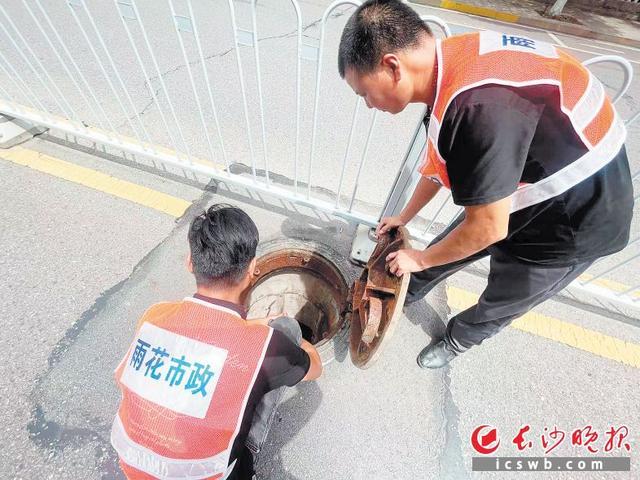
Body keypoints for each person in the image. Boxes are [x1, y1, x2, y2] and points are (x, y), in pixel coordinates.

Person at [338, 0, 633, 368]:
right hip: (533, 180)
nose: (367, 104)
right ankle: (410, 285)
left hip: (578, 219)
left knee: (507, 293)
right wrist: (405, 216)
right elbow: (439, 163)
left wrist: (421, 256)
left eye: (364, 93)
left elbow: (489, 227)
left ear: (391, 66)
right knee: (455, 240)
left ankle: (459, 338)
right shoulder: (449, 64)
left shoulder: (477, 109)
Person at [110, 204, 323, 479]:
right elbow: (315, 368)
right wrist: (292, 339)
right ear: (253, 268)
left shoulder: (154, 316)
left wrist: (245, 328)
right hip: (210, 474)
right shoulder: (262, 347)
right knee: (285, 332)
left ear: (190, 262)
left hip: (132, 465)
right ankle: (249, 448)